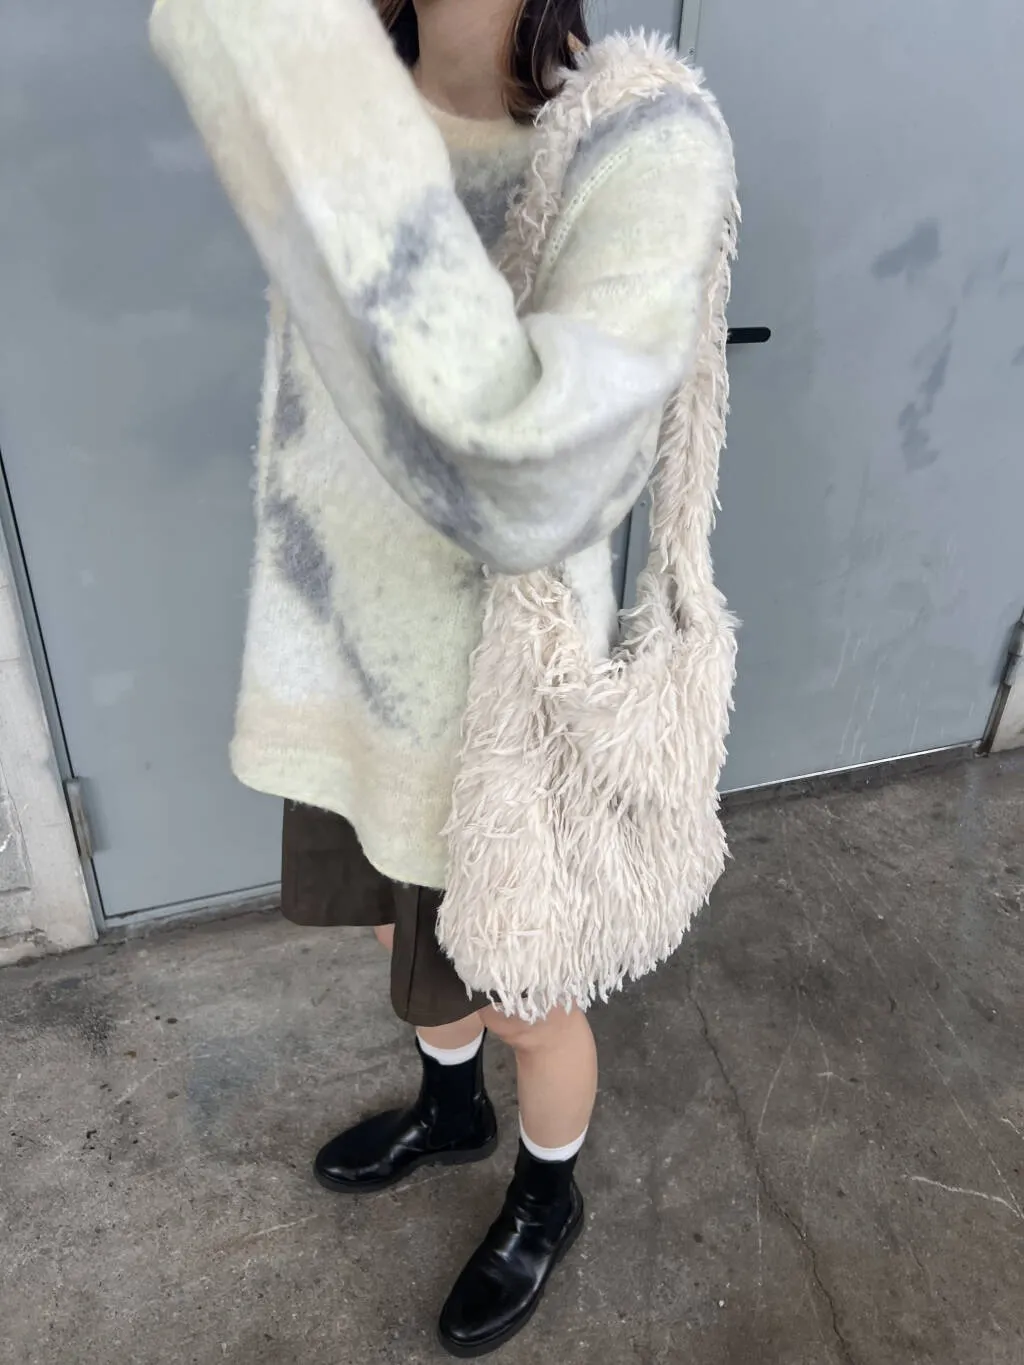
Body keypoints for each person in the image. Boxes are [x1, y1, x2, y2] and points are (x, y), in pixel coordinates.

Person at [152, 0, 736, 1354]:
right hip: (344, 668)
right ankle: (451, 1106)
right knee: (388, 934)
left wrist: (329, 127)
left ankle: (545, 1194)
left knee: (529, 999)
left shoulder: (633, 134)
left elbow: (535, 465)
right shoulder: (334, 99)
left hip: (494, 710)